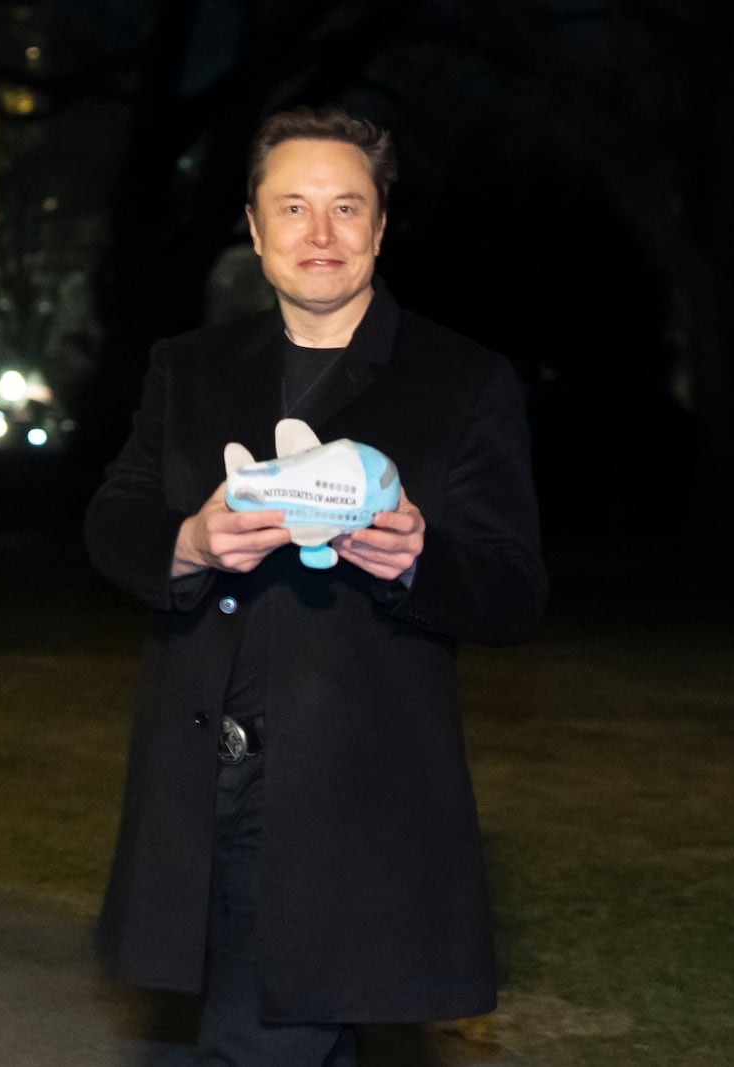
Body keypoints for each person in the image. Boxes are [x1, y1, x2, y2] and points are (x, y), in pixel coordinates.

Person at [84, 104, 546, 1065]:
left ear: (381, 225)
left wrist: (418, 558)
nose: (321, 234)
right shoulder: (191, 367)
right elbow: (113, 519)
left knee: (251, 1044)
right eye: (292, 207)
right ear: (254, 229)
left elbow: (511, 588)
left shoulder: (460, 379)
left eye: (347, 207)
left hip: (350, 803)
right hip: (195, 789)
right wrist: (191, 539)